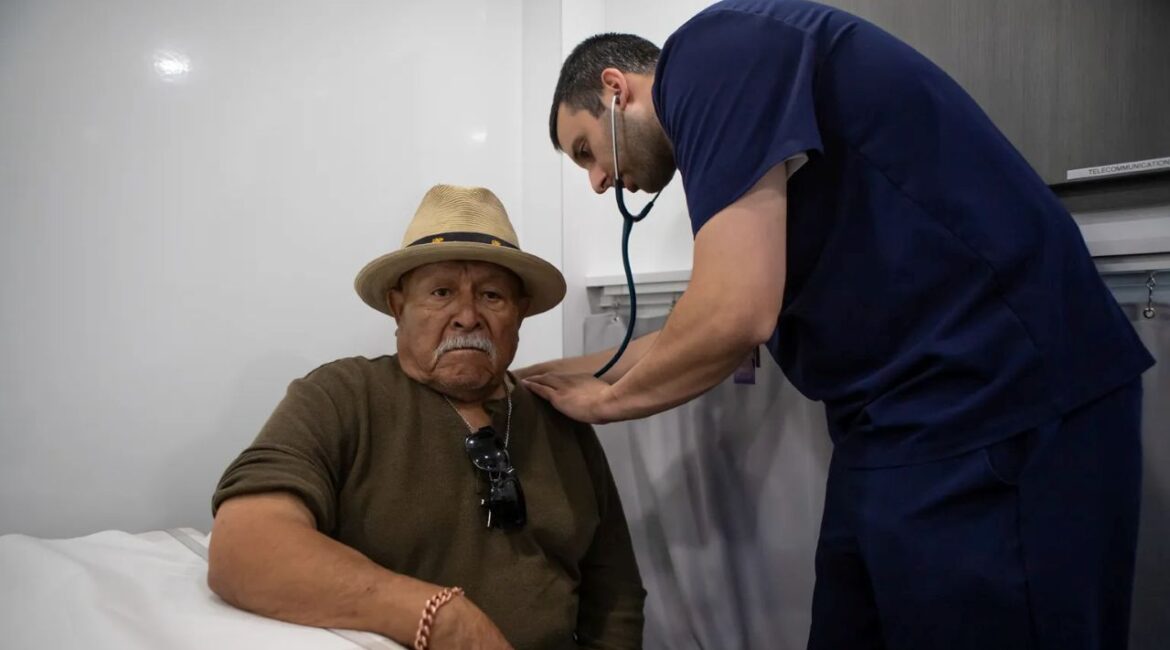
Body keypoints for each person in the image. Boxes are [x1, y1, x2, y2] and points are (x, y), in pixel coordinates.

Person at [522, 1, 1155, 648]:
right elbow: (701, 318)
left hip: (1001, 396)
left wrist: (606, 401)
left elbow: (734, 315)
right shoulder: (735, 133)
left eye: (586, 152)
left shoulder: (710, 53)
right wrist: (544, 378)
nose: (599, 182)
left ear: (614, 89)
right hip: (894, 424)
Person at [209, 184, 645, 650]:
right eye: (441, 292)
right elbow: (245, 545)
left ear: (520, 313)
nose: (467, 316)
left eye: (492, 296)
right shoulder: (341, 397)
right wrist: (442, 618)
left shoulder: (560, 417)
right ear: (399, 307)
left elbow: (615, 598)